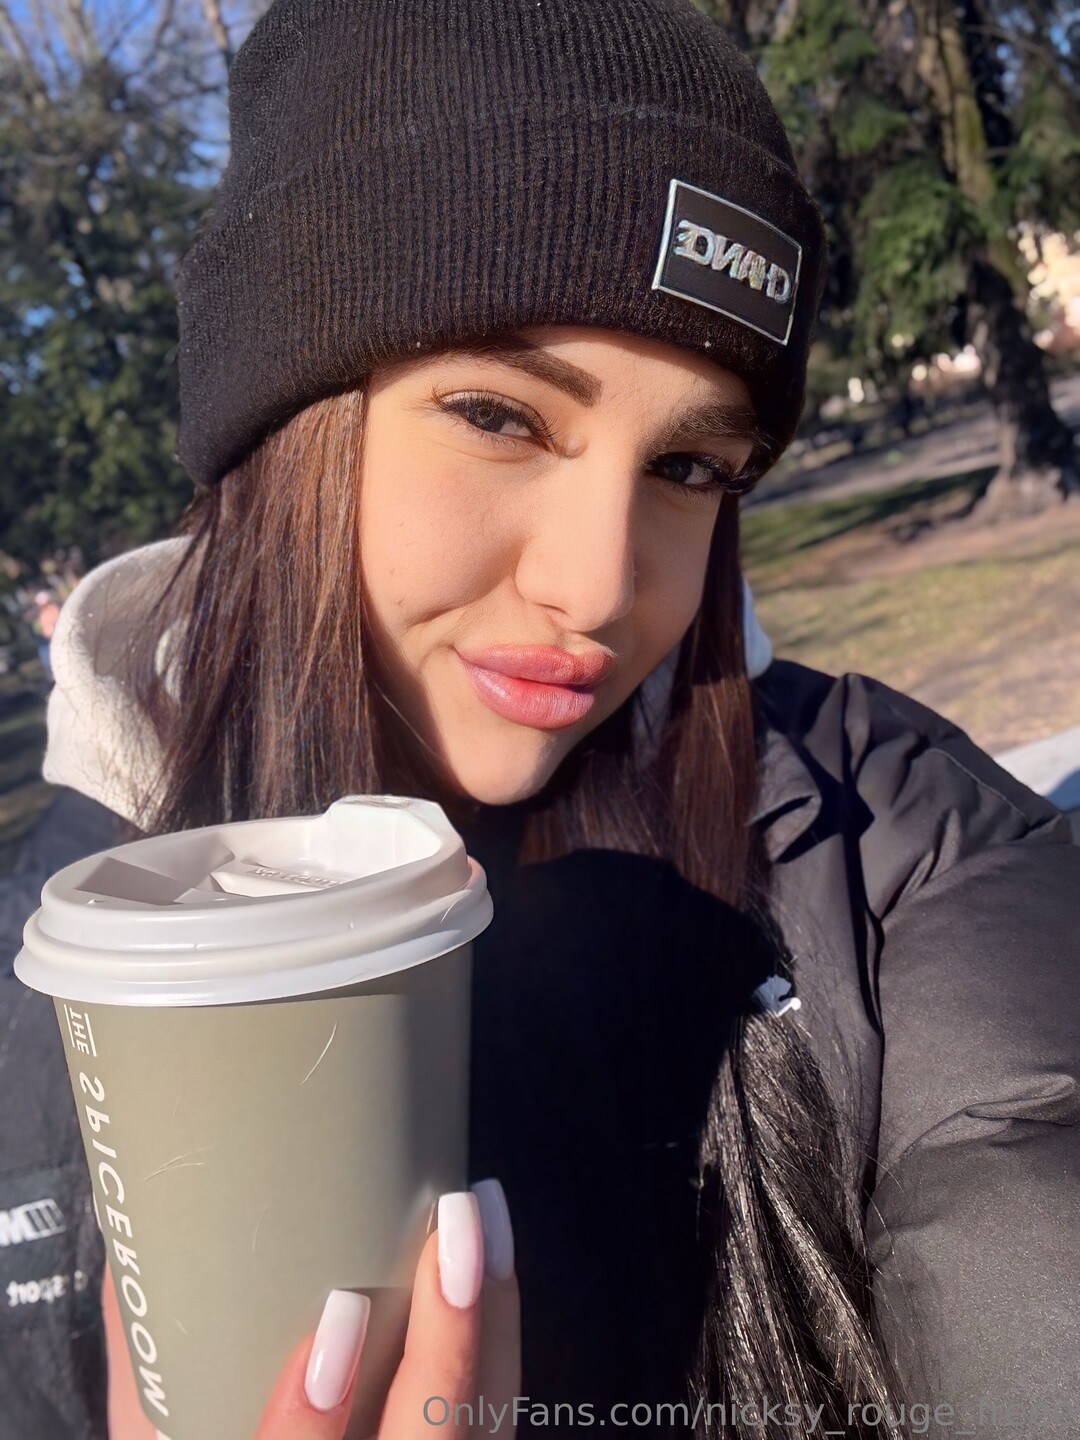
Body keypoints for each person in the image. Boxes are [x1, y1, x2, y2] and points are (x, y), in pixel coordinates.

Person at [1, 2, 1077, 1438]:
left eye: (690, 467)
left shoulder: (886, 844)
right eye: (500, 417)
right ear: (289, 427)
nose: (600, 587)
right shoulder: (43, 992)